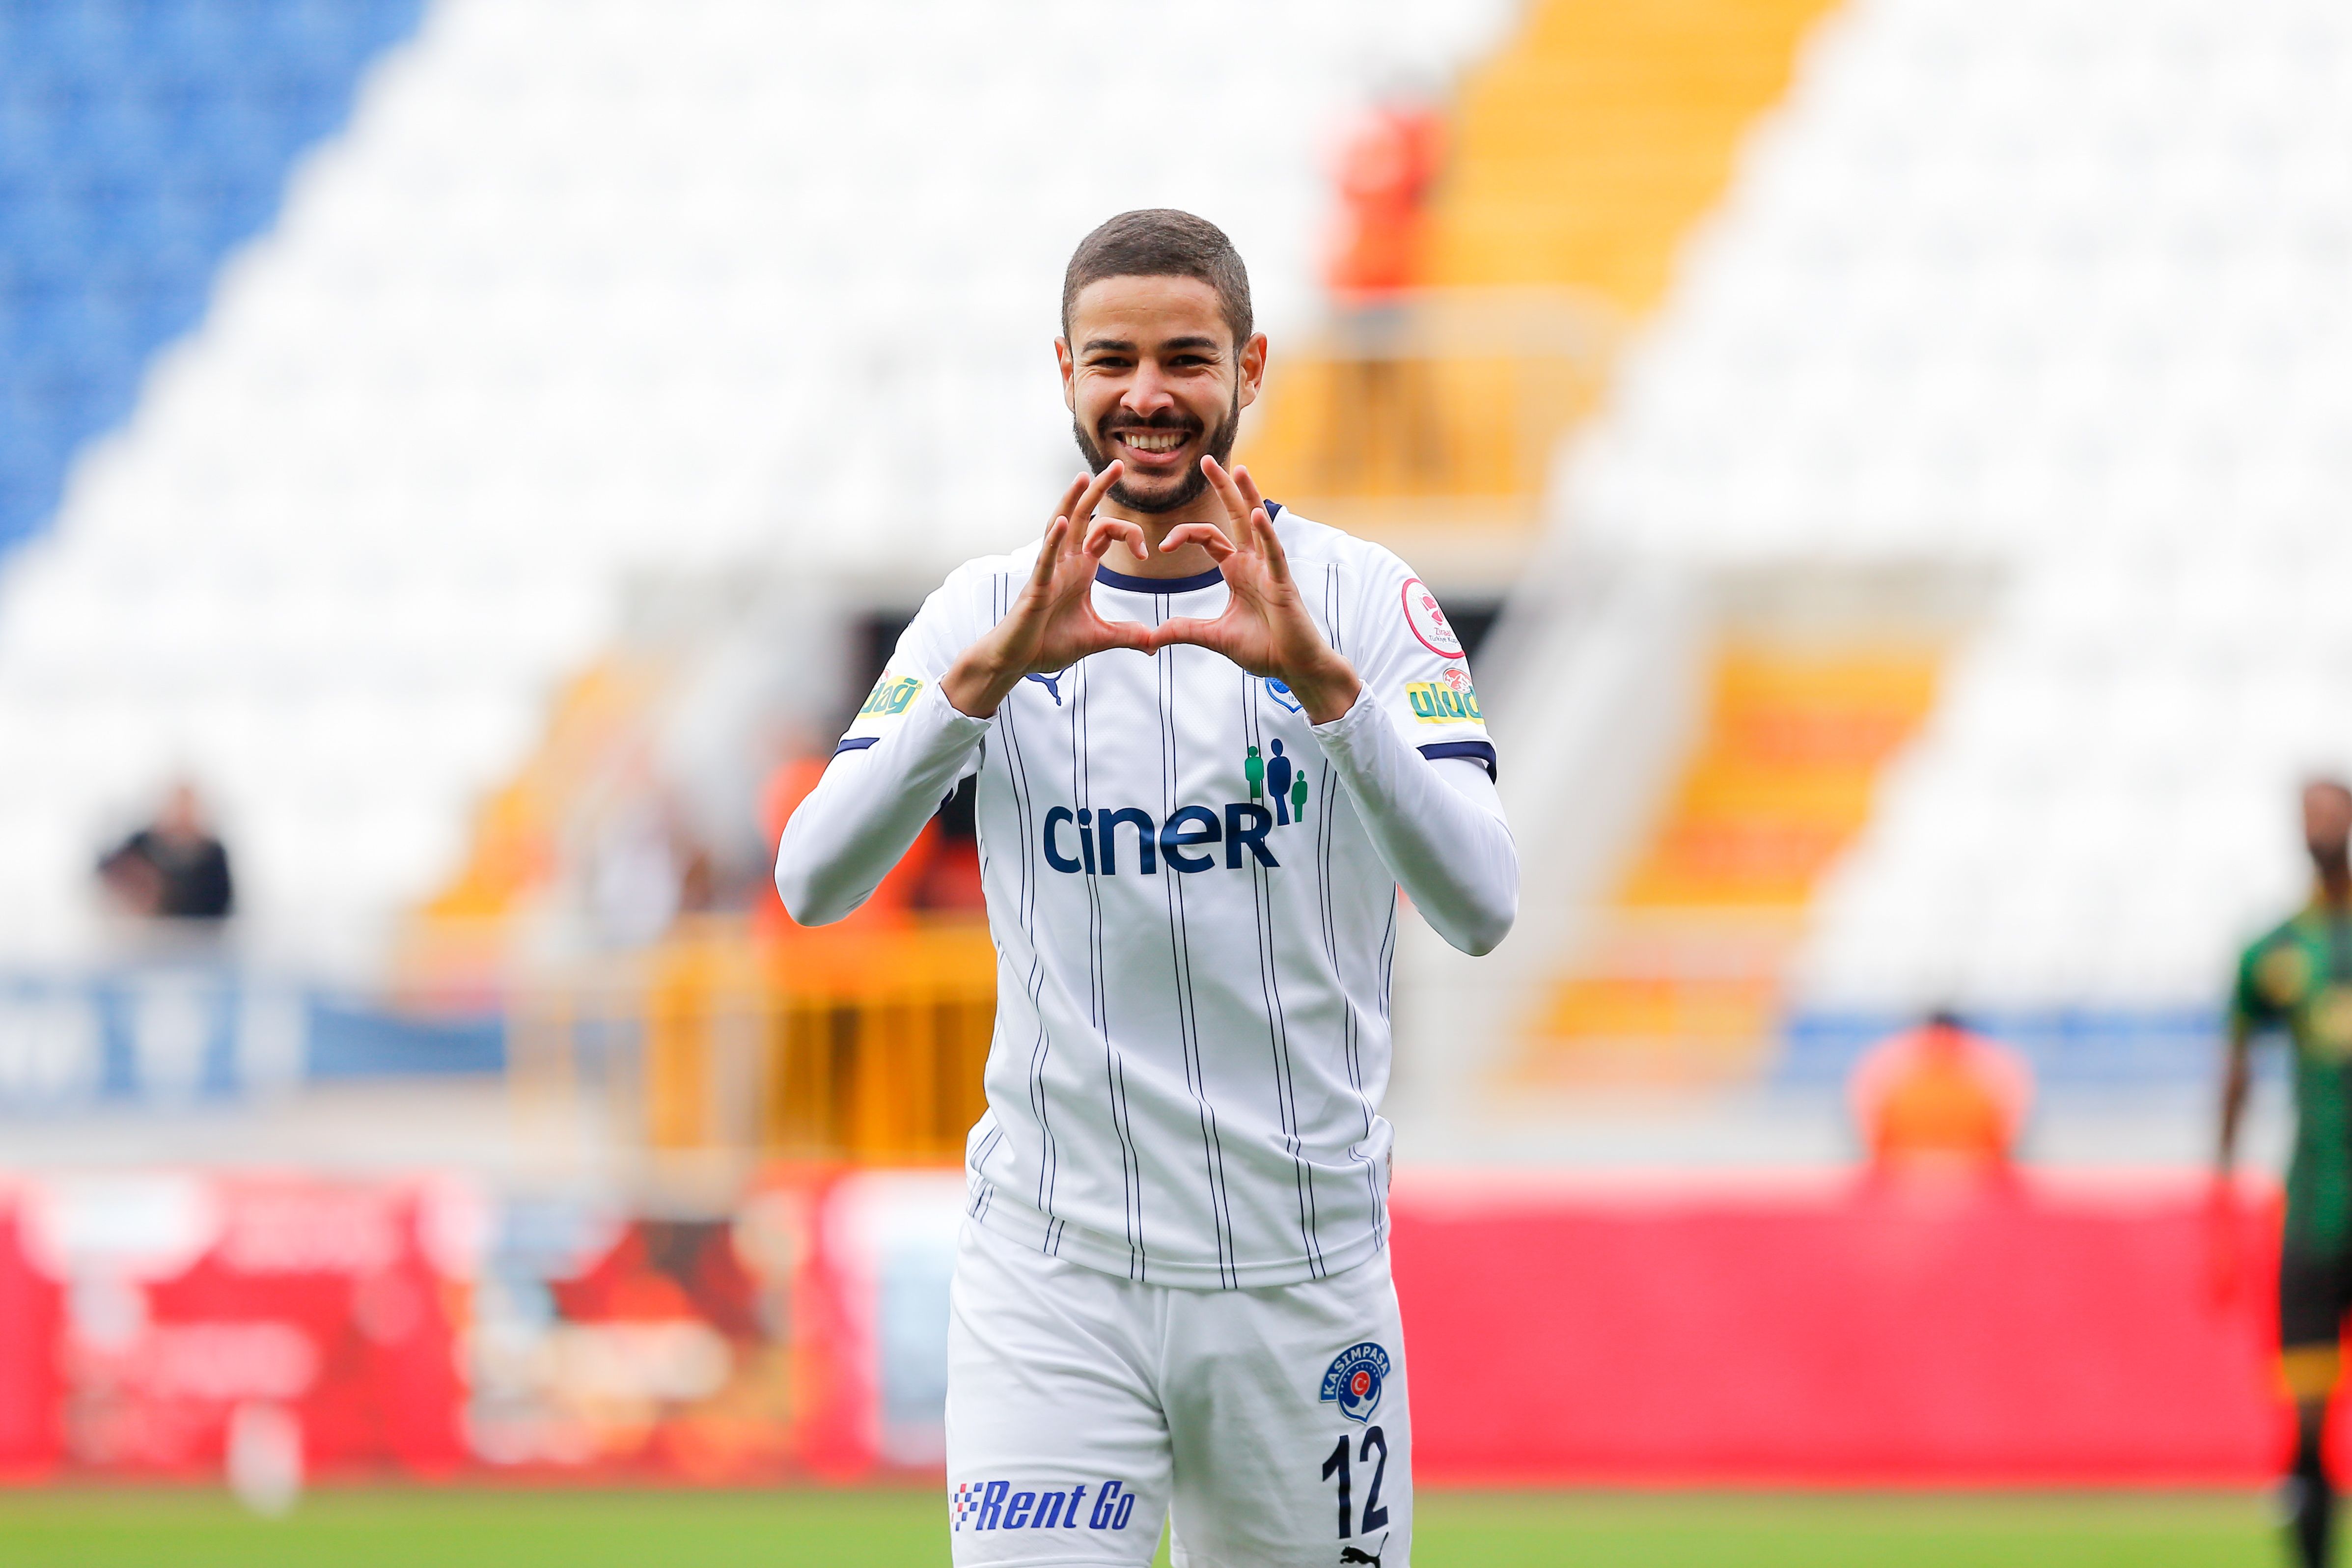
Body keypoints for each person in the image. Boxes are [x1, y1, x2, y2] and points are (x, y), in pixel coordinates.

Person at [775, 210, 1516, 1568]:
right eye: (1113, 360)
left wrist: (1330, 696)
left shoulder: (1365, 601)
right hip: (1054, 1279)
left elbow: (1481, 905)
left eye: (1186, 357)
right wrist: (976, 690)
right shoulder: (981, 613)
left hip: (1301, 1281)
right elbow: (813, 883)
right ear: (1065, 371)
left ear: (1251, 368)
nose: (1148, 395)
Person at [2219, 777, 2352, 1568]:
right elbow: (2236, 1067)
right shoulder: (2274, 951)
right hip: (2313, 1205)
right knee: (2305, 1414)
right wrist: (2219, 1189)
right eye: (2308, 816)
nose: (2319, 827)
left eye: (2330, 813)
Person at [1847, 1008, 2031, 1178]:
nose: (1942, 1044)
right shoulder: (1894, 1065)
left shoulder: (1987, 1066)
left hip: (1970, 1167)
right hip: (1910, 1166)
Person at [96, 780, 233, 921]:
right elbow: (106, 874)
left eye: (188, 807)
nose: (182, 814)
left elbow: (221, 904)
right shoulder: (142, 845)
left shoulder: (213, 854)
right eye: (177, 807)